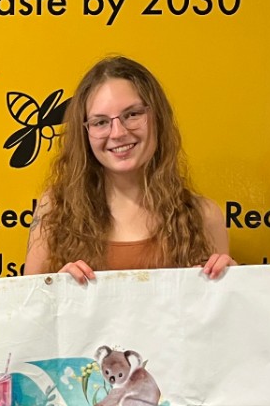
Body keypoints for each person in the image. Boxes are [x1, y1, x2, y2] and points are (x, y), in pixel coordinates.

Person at [23, 55, 231, 281]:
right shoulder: (55, 209)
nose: (118, 133)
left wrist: (233, 283)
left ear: (158, 117)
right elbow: (28, 301)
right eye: (100, 122)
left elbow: (217, 304)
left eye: (132, 114)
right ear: (85, 133)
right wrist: (56, 288)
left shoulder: (204, 216)